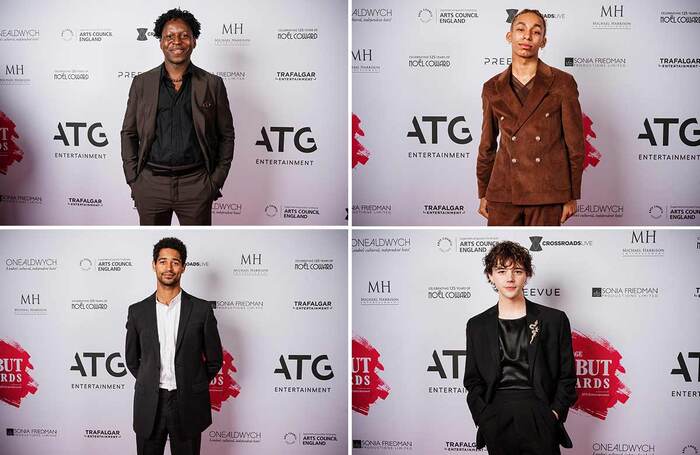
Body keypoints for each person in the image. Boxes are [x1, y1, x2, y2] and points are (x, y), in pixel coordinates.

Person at [121, 8, 235, 225]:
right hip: (150, 184)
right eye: (169, 36)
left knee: (198, 241)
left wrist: (214, 182)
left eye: (184, 35)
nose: (177, 41)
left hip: (197, 184)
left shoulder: (212, 84)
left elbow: (226, 135)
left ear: (194, 41)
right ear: (161, 42)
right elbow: (129, 132)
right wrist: (134, 179)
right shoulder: (142, 83)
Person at [464, 241, 577, 454]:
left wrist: (554, 414)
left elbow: (567, 376)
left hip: (540, 413)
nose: (510, 278)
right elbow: (472, 379)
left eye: (517, 271)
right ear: (490, 275)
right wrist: (484, 416)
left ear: (527, 275)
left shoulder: (554, 320)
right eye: (501, 270)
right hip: (496, 416)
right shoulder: (477, 325)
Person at [476, 9, 585, 226]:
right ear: (510, 36)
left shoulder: (562, 83)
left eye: (536, 32)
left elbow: (575, 145)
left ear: (543, 41)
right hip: (503, 191)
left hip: (547, 193)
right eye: (520, 29)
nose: (527, 36)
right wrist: (483, 192)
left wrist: (572, 195)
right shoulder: (492, 87)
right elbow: (487, 145)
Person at [125, 237, 223, 455]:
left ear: (183, 268)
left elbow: (215, 359)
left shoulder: (201, 310)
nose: (168, 268)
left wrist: (192, 381)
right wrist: (149, 380)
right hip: (150, 403)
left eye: (175, 262)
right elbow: (132, 360)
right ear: (154, 265)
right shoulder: (137, 311)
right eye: (162, 261)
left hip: (187, 402)